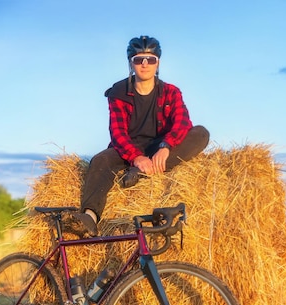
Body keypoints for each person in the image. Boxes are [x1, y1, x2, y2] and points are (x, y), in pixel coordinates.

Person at [70, 35, 209, 236]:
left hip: (160, 147)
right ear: (131, 63)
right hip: (129, 149)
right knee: (100, 160)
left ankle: (144, 173)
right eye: (138, 59)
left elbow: (182, 122)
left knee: (201, 133)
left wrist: (166, 147)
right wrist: (136, 157)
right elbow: (117, 133)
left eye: (150, 59)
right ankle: (90, 217)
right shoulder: (118, 92)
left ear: (157, 63)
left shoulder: (171, 92)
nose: (145, 64)